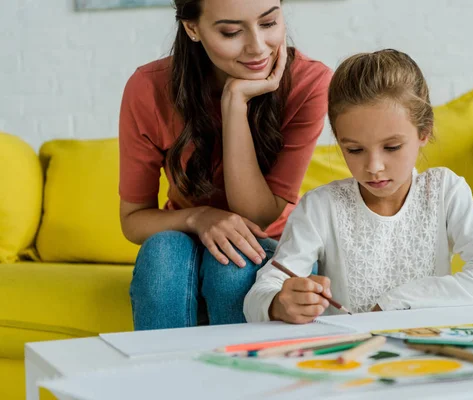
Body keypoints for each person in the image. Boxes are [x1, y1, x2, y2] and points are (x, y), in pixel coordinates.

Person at [244, 49, 473, 324]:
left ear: (424, 132)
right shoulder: (320, 207)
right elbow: (260, 294)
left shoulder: (445, 191)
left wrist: (396, 302)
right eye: (354, 149)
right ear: (339, 140)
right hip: (348, 358)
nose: (374, 166)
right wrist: (279, 304)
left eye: (391, 147)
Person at [118, 0, 332, 329]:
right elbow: (133, 221)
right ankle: (161, 378)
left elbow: (257, 216)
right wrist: (198, 217)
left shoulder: (309, 83)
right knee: (162, 250)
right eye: (232, 32)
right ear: (192, 28)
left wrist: (234, 102)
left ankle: (246, 379)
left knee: (232, 267)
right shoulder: (148, 87)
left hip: (271, 244)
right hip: (183, 242)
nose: (258, 48)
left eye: (269, 23)